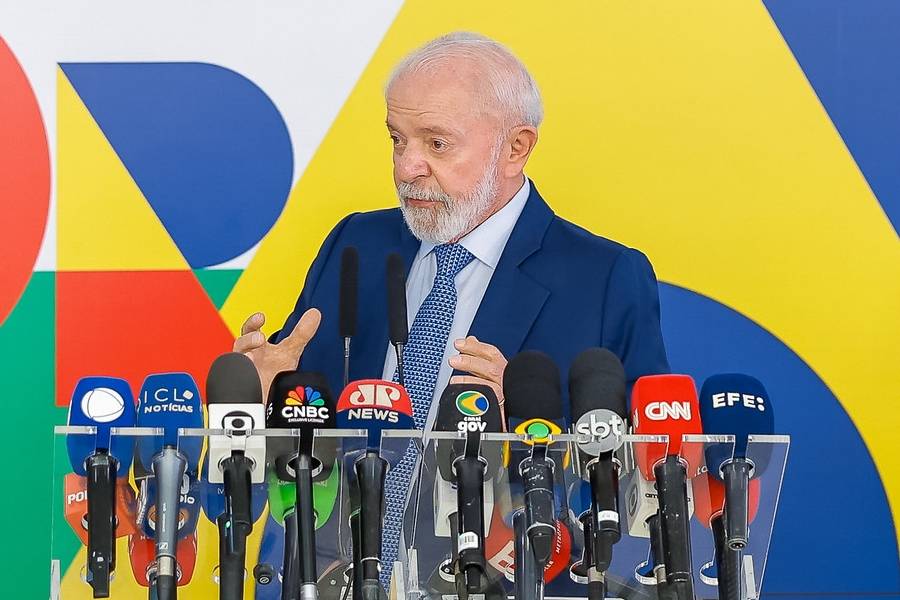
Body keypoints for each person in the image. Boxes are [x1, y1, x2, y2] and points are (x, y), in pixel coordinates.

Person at [235, 31, 669, 589]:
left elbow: (648, 491)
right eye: (397, 140)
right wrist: (256, 408)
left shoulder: (604, 278)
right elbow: (304, 441)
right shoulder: (356, 245)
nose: (406, 167)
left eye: (436, 144)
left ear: (516, 147)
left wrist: (532, 432)